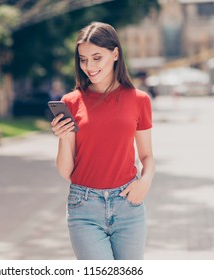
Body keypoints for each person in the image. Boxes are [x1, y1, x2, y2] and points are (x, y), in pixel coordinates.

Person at [50, 22, 155, 260]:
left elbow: (147, 156)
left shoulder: (139, 100)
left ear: (115, 53)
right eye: (83, 59)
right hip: (84, 207)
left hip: (128, 204)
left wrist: (145, 182)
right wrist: (64, 138)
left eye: (97, 57)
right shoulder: (70, 102)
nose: (89, 66)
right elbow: (66, 172)